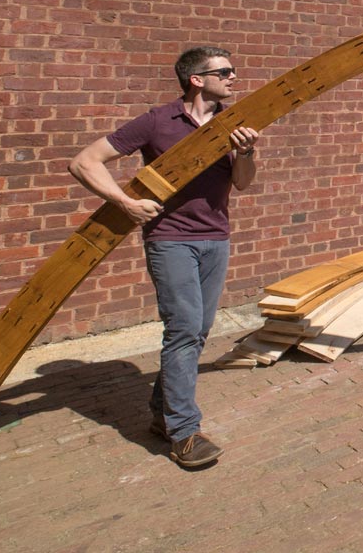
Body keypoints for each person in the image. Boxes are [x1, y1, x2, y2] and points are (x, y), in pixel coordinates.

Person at [70, 46, 259, 468]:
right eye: (224, 72)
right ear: (196, 79)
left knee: (197, 331)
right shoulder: (158, 121)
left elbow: (242, 184)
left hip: (216, 237)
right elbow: (85, 162)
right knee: (185, 329)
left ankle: (162, 415)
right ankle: (184, 432)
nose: (233, 78)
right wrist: (123, 202)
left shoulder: (231, 125)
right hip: (171, 240)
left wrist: (246, 153)